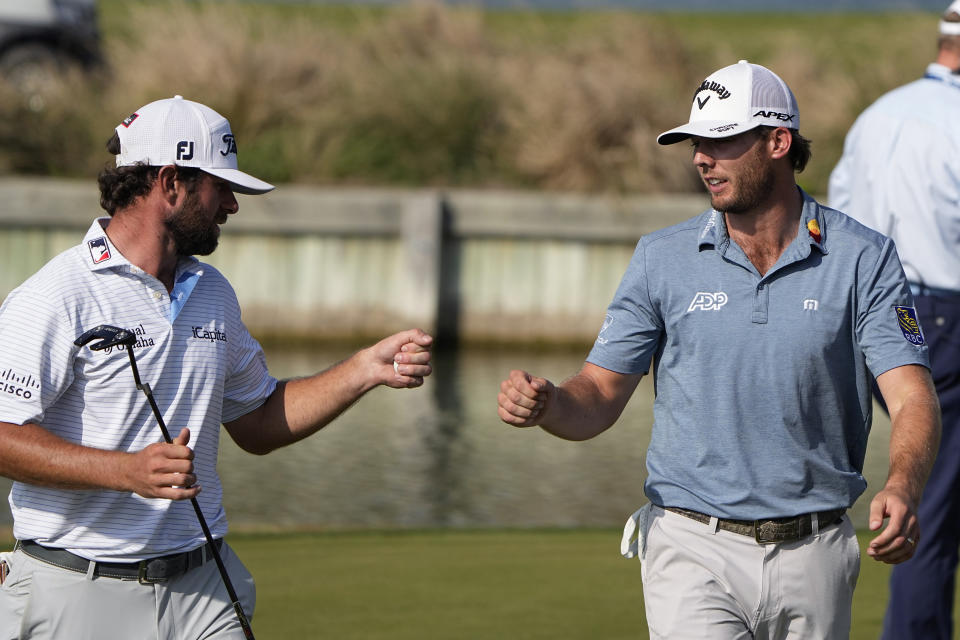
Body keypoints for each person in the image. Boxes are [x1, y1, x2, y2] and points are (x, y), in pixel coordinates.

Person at [498, 60, 942, 639]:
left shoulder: (864, 258)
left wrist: (903, 484)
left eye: (720, 141)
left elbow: (912, 398)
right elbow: (600, 394)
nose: (701, 158)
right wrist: (550, 403)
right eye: (695, 143)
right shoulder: (661, 258)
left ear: (778, 141)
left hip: (818, 551)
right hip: (689, 546)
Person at [0, 95, 433, 640]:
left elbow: (257, 422)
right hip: (80, 590)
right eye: (220, 186)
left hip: (202, 586)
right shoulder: (57, 294)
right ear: (170, 183)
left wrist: (365, 369)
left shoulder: (212, 293)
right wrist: (124, 471)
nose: (231, 204)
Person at [828, 4, 960, 638]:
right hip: (942, 312)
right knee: (934, 496)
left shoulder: (877, 114)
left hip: (867, 305)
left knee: (937, 488)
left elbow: (836, 215)